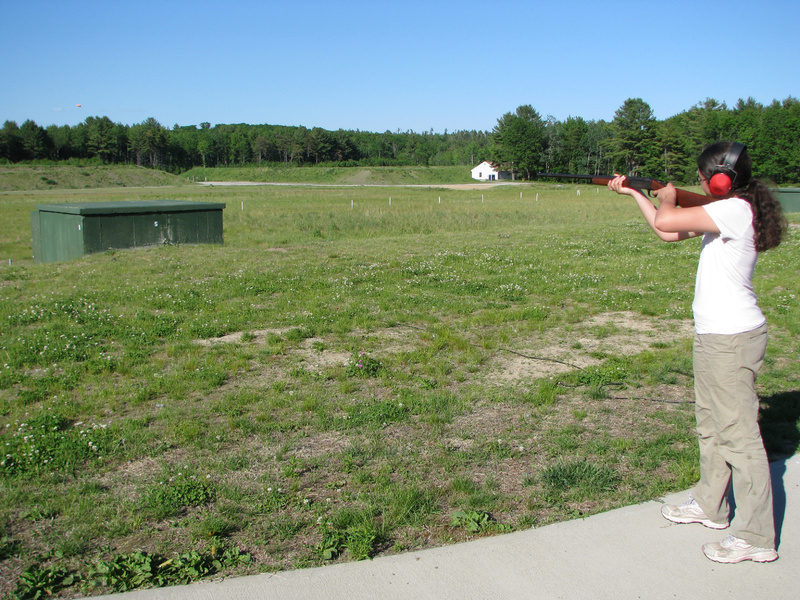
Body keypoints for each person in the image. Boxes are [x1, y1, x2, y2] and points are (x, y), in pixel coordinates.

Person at [608, 141, 787, 564]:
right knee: (710, 425)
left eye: (703, 179)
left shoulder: (733, 210)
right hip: (713, 335)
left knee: (740, 438)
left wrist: (666, 195)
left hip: (732, 338)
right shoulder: (724, 211)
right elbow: (667, 230)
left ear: (720, 180)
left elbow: (669, 213)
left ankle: (756, 536)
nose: (700, 184)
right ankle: (711, 505)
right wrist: (635, 192)